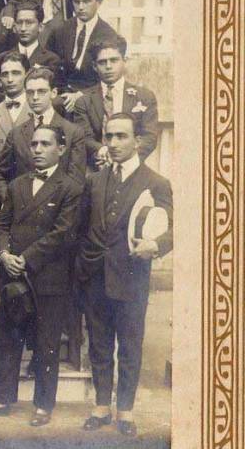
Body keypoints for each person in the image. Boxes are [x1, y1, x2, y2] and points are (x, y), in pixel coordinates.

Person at [0, 125, 82, 427]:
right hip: (13, 278)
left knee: (47, 343)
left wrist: (25, 259)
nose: (38, 149)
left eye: (45, 143)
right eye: (34, 144)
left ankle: (44, 404)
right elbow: (1, 225)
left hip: (48, 279)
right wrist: (3, 255)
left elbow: (62, 234)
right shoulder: (17, 185)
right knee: (7, 338)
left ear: (61, 148)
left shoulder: (70, 187)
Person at [76, 113, 173, 438]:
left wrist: (155, 245)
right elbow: (82, 227)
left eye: (121, 136)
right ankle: (101, 407)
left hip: (131, 278)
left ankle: (126, 411)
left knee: (130, 346)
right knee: (99, 345)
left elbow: (172, 228)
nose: (114, 143)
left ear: (136, 141)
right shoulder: (94, 180)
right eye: (109, 136)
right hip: (96, 277)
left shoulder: (156, 182)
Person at [0, 66, 86, 203]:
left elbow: (76, 180)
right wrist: (11, 201)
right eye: (30, 92)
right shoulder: (16, 133)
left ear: (53, 93)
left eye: (41, 92)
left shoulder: (73, 132)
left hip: (55, 211)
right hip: (21, 212)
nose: (35, 98)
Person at [73, 39, 159, 169]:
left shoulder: (144, 97)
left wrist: (126, 159)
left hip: (132, 167)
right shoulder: (84, 101)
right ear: (94, 66)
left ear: (124, 61)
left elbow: (149, 137)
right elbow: (84, 137)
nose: (108, 66)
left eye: (114, 60)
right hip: (96, 168)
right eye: (102, 62)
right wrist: (103, 152)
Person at [45, 0, 120, 106]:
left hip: (91, 97)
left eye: (86, 2)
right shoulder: (60, 30)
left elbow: (109, 77)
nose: (80, 7)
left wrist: (80, 95)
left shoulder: (108, 35)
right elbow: (47, 63)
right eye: (77, 2)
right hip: (59, 95)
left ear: (99, 2)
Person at [0, 1, 62, 104]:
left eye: (29, 23)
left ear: (41, 27)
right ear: (14, 27)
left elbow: (53, 94)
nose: (23, 28)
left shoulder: (51, 60)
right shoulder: (1, 58)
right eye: (19, 23)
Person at [0, 51, 30, 164]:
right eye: (5, 74)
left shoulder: (37, 109)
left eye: (16, 73)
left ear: (27, 75)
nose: (10, 79)